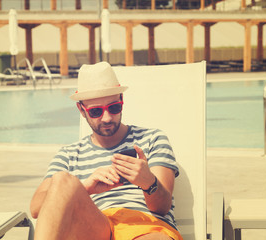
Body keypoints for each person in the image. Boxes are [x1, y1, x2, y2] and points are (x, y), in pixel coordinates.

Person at [30, 61, 183, 240]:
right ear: (81, 109)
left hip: (146, 227)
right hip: (96, 227)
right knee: (62, 180)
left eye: (114, 107)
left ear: (122, 101)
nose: (107, 117)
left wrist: (148, 182)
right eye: (96, 111)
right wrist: (83, 188)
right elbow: (35, 208)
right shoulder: (69, 155)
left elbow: (163, 206)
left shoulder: (152, 139)